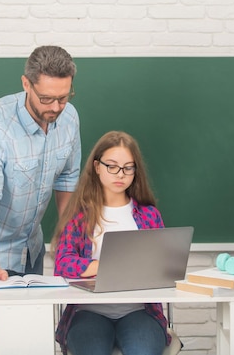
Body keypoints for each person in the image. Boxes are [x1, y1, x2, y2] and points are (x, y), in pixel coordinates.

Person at [0, 45, 81, 355]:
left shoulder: (69, 119)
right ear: (26, 84)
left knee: (29, 334)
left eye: (63, 98)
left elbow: (67, 180)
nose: (55, 107)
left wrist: (73, 243)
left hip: (29, 243)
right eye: (46, 98)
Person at [52, 131, 172, 355]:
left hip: (140, 311)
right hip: (88, 312)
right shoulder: (79, 215)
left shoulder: (149, 215)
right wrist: (104, 265)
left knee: (143, 351)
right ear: (97, 167)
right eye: (112, 166)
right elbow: (62, 264)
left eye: (128, 167)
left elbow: (163, 266)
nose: (121, 174)